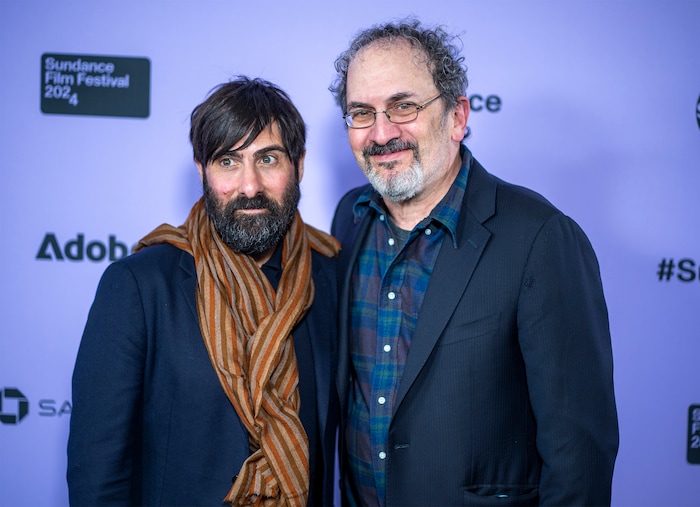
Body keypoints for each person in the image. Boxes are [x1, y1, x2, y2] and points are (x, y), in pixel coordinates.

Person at [329, 19, 619, 507]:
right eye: (362, 113)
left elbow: (579, 458)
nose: (382, 133)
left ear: (457, 117)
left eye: (403, 106)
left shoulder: (540, 238)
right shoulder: (350, 219)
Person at [67, 76, 340, 507]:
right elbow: (98, 473)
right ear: (202, 171)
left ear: (299, 165)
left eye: (267, 159)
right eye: (228, 162)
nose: (249, 186)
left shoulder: (330, 277)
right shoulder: (140, 286)